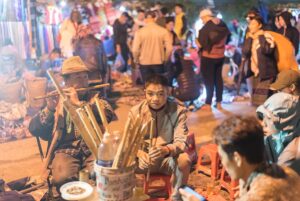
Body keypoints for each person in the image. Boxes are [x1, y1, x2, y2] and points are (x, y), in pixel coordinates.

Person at [28, 56, 116, 192]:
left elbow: (108, 114)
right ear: (66, 81)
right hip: (66, 150)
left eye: (85, 77)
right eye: (78, 78)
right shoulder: (57, 102)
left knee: (101, 173)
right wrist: (50, 108)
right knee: (62, 178)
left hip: (93, 148)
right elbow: (35, 129)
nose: (84, 82)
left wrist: (79, 104)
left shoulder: (95, 98)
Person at [180, 115, 300, 201]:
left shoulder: (258, 195)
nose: (223, 163)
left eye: (222, 157)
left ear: (237, 158)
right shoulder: (284, 171)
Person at [127, 74, 191, 201]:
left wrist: (166, 150)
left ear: (168, 92)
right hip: (143, 161)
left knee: (184, 160)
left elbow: (181, 141)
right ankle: (130, 197)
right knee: (120, 163)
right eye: (150, 94)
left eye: (161, 94)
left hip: (167, 159)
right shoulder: (135, 112)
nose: (155, 99)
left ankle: (176, 197)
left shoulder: (178, 110)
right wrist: (138, 153)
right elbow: (127, 142)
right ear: (145, 93)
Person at [197, 8, 230, 110]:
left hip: (208, 57)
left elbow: (202, 44)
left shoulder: (206, 28)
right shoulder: (223, 24)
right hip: (220, 56)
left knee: (209, 80)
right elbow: (228, 38)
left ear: (206, 17)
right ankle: (219, 102)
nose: (202, 21)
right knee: (218, 79)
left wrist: (197, 42)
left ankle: (208, 103)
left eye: (202, 18)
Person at [242, 15, 278, 106]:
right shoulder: (249, 37)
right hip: (256, 73)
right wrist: (250, 38)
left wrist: (261, 37)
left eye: (253, 24)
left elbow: (268, 50)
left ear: (259, 25)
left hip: (267, 72)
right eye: (250, 24)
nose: (250, 26)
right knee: (257, 102)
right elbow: (245, 52)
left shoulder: (266, 36)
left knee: (262, 102)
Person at [132, 11, 172, 82]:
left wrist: (136, 59)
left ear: (145, 19)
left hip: (144, 63)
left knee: (147, 86)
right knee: (159, 86)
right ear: (155, 18)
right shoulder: (163, 31)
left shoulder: (139, 32)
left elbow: (135, 50)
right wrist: (166, 59)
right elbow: (169, 49)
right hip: (159, 62)